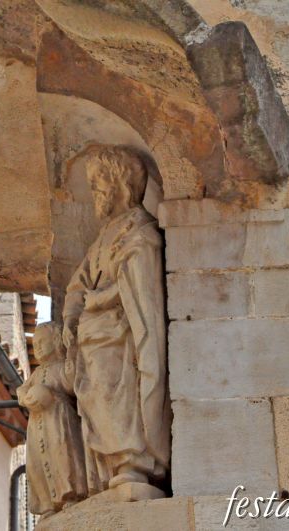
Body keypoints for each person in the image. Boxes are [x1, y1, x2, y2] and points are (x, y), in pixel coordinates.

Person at [62, 144, 170, 494]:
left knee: (122, 397)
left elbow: (136, 289)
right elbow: (78, 281)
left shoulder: (139, 233)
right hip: (94, 339)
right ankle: (112, 467)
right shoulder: (102, 239)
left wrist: (96, 300)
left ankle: (134, 462)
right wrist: (72, 312)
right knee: (99, 401)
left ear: (120, 185)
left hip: (120, 339)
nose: (95, 193)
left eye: (99, 184)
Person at [17, 322, 87, 516]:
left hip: (58, 419)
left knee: (62, 453)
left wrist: (73, 352)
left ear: (56, 341)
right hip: (37, 423)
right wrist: (26, 397)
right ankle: (48, 503)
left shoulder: (60, 367)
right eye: (34, 344)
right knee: (37, 461)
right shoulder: (37, 373)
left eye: (42, 342)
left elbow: (71, 382)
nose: (37, 347)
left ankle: (70, 495)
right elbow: (22, 389)